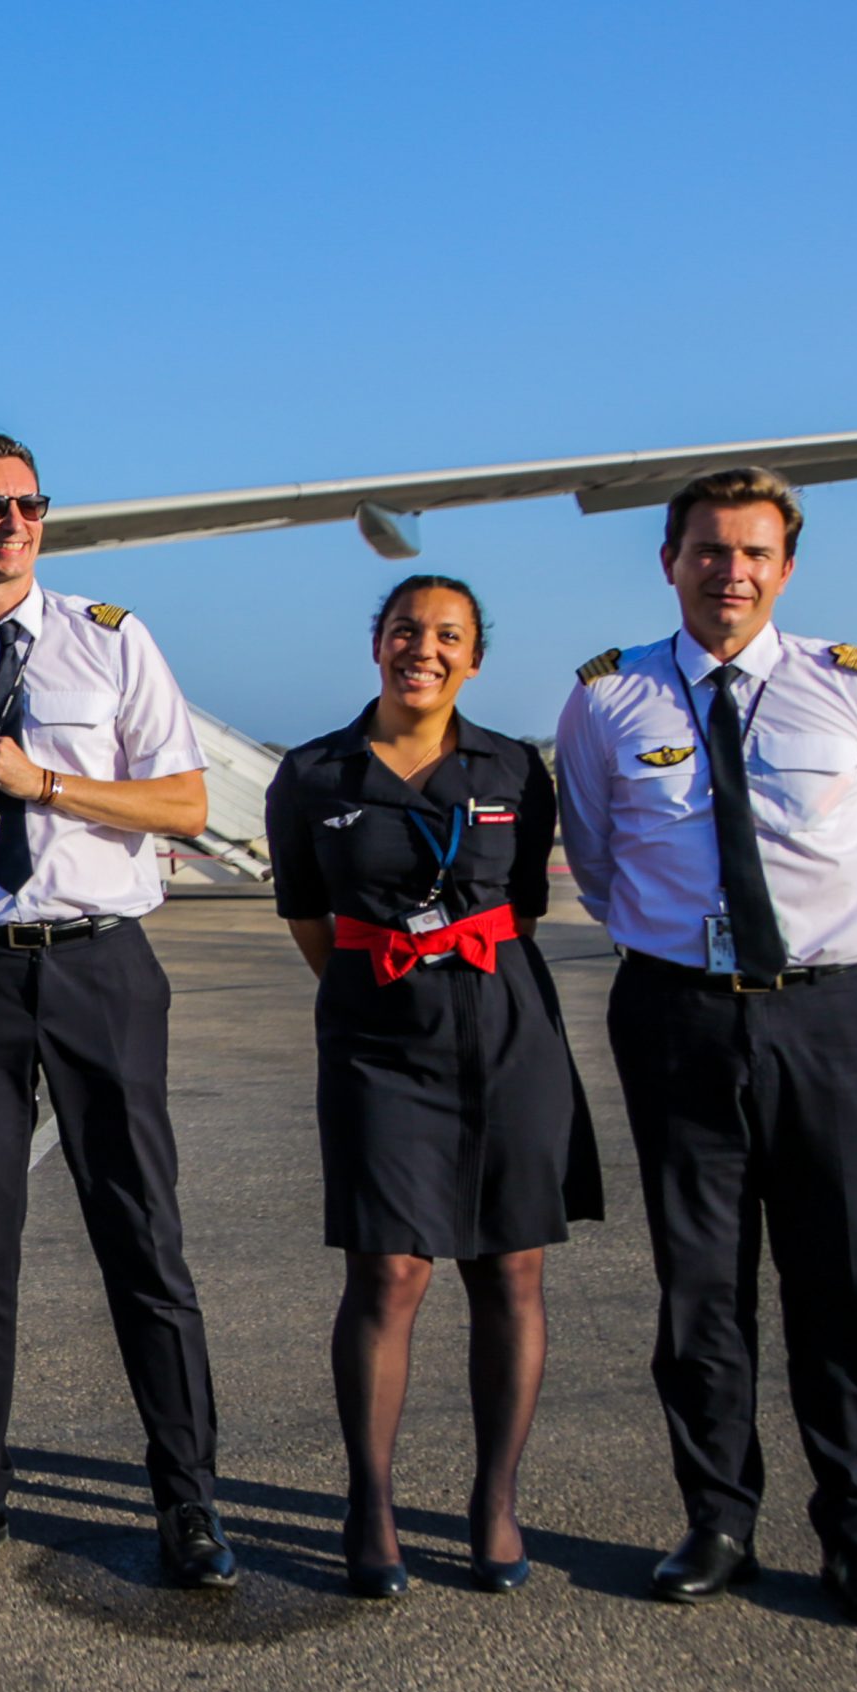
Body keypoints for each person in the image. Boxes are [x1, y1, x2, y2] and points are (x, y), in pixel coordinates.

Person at [556, 467, 857, 1626]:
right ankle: (717, 1520)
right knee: (699, 1286)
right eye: (709, 551)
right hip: (675, 1013)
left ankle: (856, 1533)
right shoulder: (610, 701)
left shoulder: (854, 690)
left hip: (823, 1011)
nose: (731, 572)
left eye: (755, 553)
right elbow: (600, 860)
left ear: (786, 567)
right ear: (670, 562)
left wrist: (802, 956)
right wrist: (692, 958)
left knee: (836, 1279)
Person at [0, 432, 235, 1589]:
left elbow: (183, 802)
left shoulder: (110, 642)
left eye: (25, 506)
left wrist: (48, 785)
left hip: (97, 964)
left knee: (142, 1239)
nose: (8, 524)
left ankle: (188, 1500)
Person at [263, 575, 601, 1598]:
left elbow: (525, 909)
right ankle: (370, 1506)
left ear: (474, 658)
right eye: (407, 630)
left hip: (506, 1036)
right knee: (388, 1274)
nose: (425, 649)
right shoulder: (313, 773)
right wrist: (391, 992)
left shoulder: (513, 767)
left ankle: (493, 1502)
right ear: (376, 644)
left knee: (510, 1270)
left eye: (448, 635)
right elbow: (311, 922)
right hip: (377, 1041)